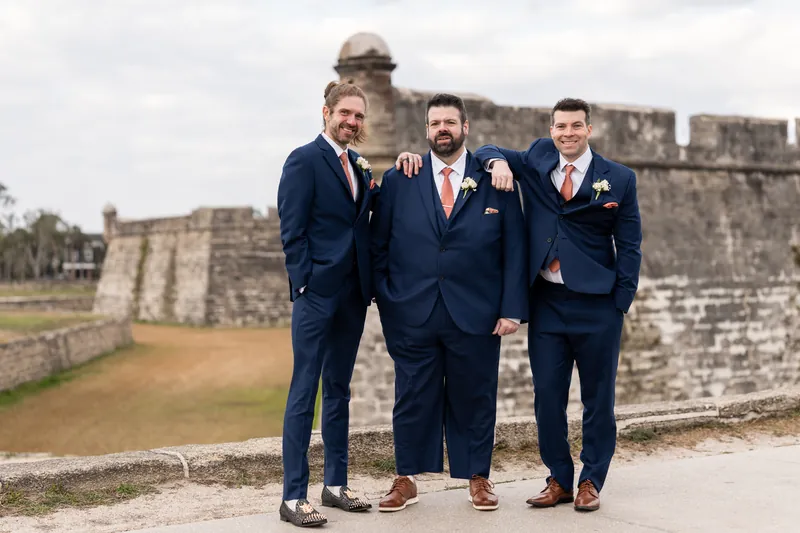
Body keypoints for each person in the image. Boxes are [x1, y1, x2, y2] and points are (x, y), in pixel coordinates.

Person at [395, 97, 642, 512]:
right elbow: (489, 150)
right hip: (546, 301)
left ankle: (591, 480)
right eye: (560, 126)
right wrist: (499, 165)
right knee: (547, 397)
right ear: (551, 130)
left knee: (599, 400)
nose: (568, 133)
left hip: (598, 306)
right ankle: (559, 478)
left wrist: (621, 299)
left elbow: (631, 243)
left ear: (589, 130)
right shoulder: (538, 157)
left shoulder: (618, 178)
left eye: (576, 126)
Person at [371, 93, 528, 513]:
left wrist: (512, 308)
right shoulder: (401, 178)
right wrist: (388, 299)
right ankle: (406, 478)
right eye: (435, 123)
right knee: (411, 395)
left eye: (450, 123)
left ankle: (478, 476)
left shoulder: (497, 177)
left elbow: (515, 248)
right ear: (426, 130)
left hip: (475, 311)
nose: (443, 129)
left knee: (475, 395)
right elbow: (379, 244)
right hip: (413, 311)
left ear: (465, 128)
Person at [276, 80, 378, 527]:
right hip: (317, 295)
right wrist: (304, 284)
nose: (352, 122)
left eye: (358, 116)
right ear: (326, 113)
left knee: (339, 390)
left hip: (353, 294)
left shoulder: (359, 165)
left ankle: (335, 485)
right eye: (345, 114)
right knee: (304, 391)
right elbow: (291, 227)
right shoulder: (303, 160)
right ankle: (293, 496)